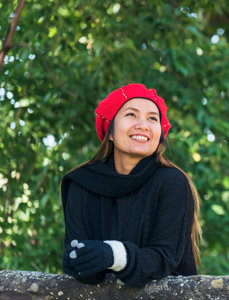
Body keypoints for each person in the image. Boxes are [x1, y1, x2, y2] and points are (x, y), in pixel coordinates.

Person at [60, 83, 201, 287]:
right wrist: (76, 260)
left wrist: (113, 255)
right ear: (110, 132)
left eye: (152, 118)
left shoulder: (172, 182)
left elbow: (165, 260)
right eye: (131, 115)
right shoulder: (81, 183)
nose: (143, 125)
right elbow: (86, 269)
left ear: (159, 137)